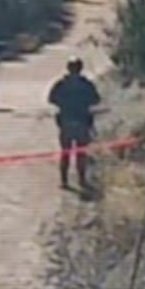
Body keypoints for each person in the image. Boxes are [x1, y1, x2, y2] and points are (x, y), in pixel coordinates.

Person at [48, 56, 101, 189]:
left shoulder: (61, 84)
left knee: (65, 153)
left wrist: (64, 104)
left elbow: (51, 98)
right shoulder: (86, 84)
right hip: (82, 121)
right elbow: (96, 99)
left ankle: (64, 181)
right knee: (80, 154)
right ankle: (81, 180)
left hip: (66, 121)